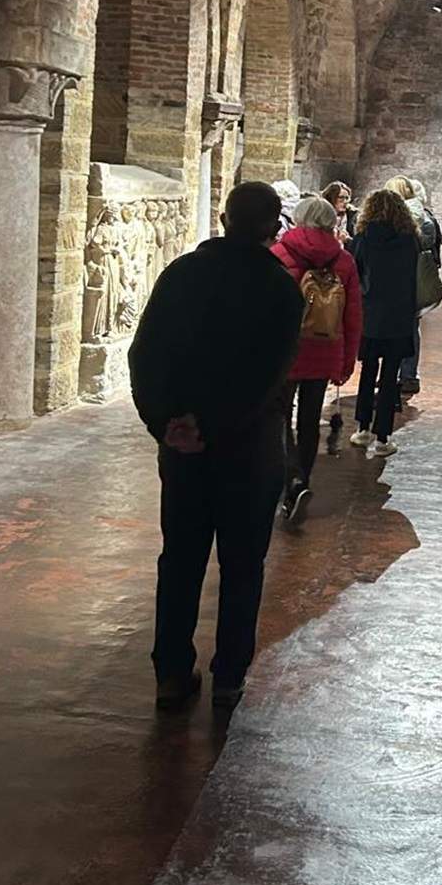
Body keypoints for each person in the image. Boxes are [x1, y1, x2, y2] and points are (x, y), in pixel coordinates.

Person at [128, 181, 304, 711]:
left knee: (179, 558)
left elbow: (145, 356)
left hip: (185, 447)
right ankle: (229, 673)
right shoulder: (279, 289)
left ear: (225, 218)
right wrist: (222, 425)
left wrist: (168, 424)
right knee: (243, 563)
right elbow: (267, 378)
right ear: (274, 227)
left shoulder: (181, 274)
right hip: (248, 449)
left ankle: (171, 672)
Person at [272, 193, 362, 523]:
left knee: (279, 417)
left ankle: (290, 478)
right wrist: (347, 360)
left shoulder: (280, 253)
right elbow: (352, 316)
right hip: (325, 348)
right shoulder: (344, 261)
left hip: (284, 350)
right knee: (310, 419)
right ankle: (303, 480)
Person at [347, 187, 418, 458]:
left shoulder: (363, 238)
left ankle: (363, 428)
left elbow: (356, 272)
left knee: (367, 373)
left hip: (371, 314)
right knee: (390, 379)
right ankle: (383, 438)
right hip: (399, 316)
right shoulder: (410, 239)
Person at [386, 175, 442, 396]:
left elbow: (421, 250)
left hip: (407, 283)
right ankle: (399, 375)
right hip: (404, 282)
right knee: (406, 329)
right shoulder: (416, 219)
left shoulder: (418, 221)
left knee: (408, 329)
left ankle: (407, 375)